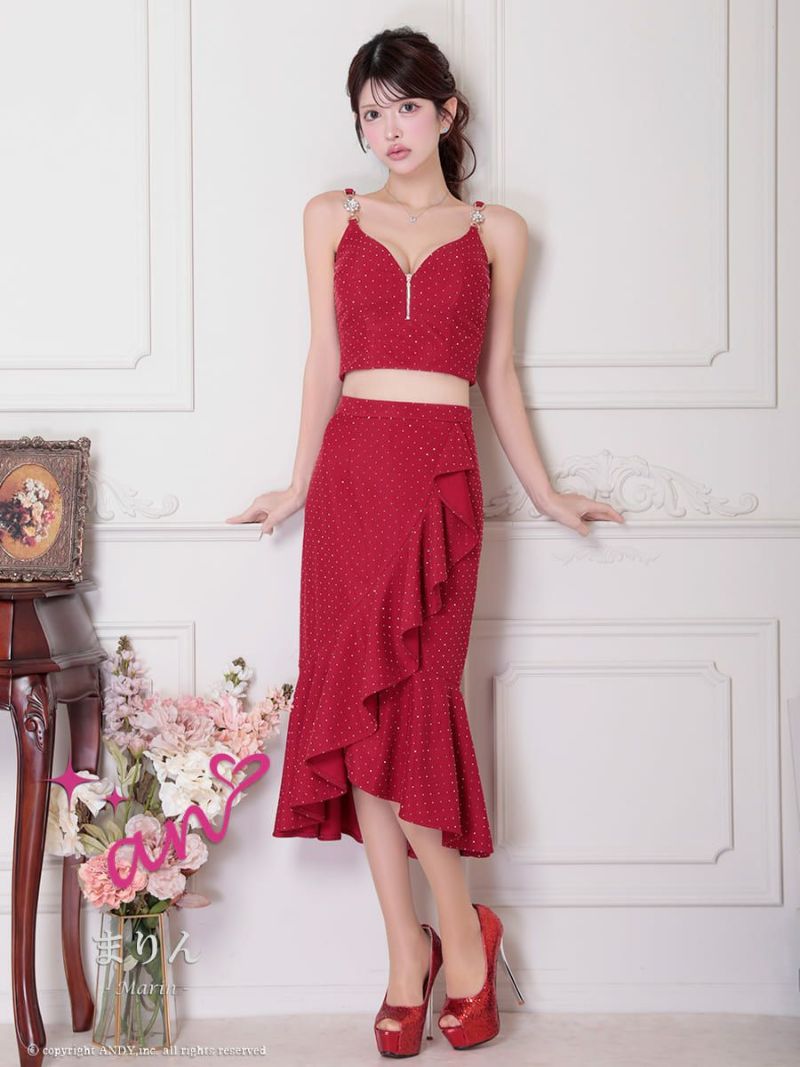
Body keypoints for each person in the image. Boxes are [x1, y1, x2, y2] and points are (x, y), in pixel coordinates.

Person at [227, 25, 625, 1057]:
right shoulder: (330, 215)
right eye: (370, 112)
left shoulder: (500, 231)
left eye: (405, 105)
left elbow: (498, 377)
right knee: (360, 716)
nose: (388, 129)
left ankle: (459, 939)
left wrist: (546, 492)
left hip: (443, 484)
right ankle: (416, 951)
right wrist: (296, 482)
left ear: (447, 111)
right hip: (352, 484)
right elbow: (322, 359)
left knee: (417, 709)